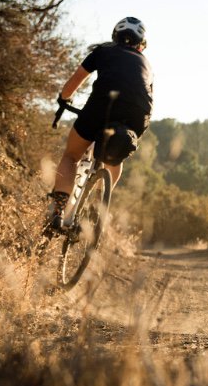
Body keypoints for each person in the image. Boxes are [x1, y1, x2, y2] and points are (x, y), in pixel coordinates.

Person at [46, 17, 154, 230]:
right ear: (141, 43)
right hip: (138, 114)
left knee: (71, 156)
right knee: (115, 154)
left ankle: (57, 211)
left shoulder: (103, 51)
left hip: (102, 105)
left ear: (115, 36)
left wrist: (64, 99)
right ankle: (99, 202)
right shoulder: (146, 63)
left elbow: (73, 84)